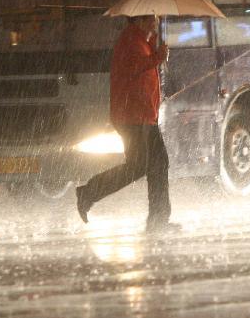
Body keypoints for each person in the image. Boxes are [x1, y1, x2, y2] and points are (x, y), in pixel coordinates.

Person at [75, 14, 179, 233]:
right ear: (139, 21)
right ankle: (89, 192)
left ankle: (158, 219)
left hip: (142, 116)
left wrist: (154, 46)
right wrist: (158, 56)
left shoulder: (141, 40)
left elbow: (143, 69)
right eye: (152, 18)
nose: (156, 22)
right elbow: (135, 68)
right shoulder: (130, 41)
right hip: (133, 117)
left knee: (156, 165)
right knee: (140, 166)